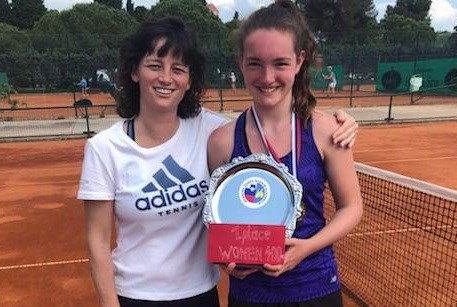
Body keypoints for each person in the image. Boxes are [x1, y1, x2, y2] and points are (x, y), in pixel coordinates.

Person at [77, 17, 358, 307]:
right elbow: (97, 241)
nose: (165, 78)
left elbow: (269, 120)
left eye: (178, 69)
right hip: (137, 295)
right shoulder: (104, 149)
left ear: (189, 80)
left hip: (202, 294)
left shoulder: (210, 131)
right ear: (134, 71)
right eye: (154, 66)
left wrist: (345, 122)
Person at [207, 1, 363, 306]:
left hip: (316, 286)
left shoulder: (326, 130)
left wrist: (305, 248)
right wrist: (224, 260)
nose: (267, 77)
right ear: (240, 61)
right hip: (250, 295)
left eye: (280, 63)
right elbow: (217, 219)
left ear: (299, 60)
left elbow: (352, 208)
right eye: (254, 63)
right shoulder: (221, 142)